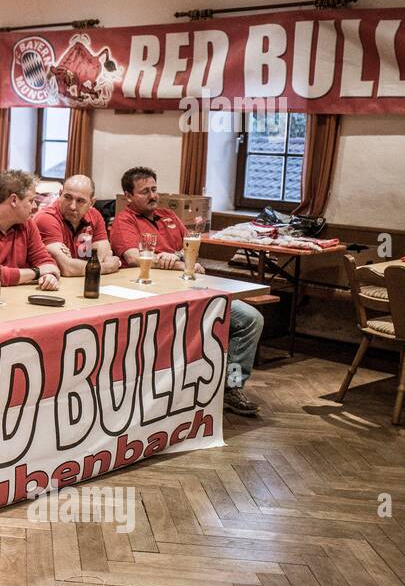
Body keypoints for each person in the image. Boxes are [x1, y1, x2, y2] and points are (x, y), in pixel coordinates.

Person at [109, 166, 264, 417]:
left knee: (250, 319)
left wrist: (184, 261)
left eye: (154, 189)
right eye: (144, 191)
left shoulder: (169, 215)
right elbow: (134, 257)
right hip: (151, 296)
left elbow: (189, 248)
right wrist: (174, 260)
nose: (152, 196)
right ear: (128, 196)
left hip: (190, 289)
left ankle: (232, 387)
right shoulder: (124, 221)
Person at [35, 174, 122, 276]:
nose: (72, 206)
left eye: (80, 201)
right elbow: (67, 268)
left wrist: (79, 266)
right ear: (60, 194)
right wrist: (107, 267)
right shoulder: (47, 218)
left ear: (92, 202)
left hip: (83, 281)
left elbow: (105, 254)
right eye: (67, 197)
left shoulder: (94, 215)